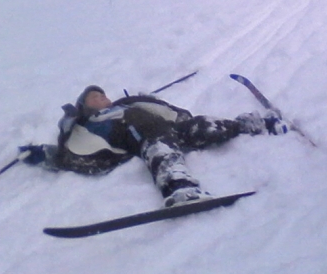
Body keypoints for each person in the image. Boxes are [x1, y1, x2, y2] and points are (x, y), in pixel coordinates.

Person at [19, 85, 287, 206]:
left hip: (171, 128)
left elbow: (162, 108)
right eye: (94, 97)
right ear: (84, 107)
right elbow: (79, 154)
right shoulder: (90, 125)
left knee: (205, 125)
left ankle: (254, 124)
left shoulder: (127, 104)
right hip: (146, 139)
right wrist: (48, 154)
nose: (102, 97)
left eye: (102, 94)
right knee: (161, 152)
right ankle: (179, 188)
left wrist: (154, 102)